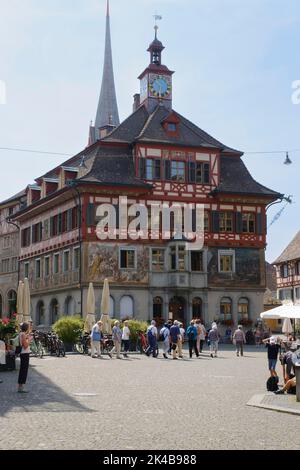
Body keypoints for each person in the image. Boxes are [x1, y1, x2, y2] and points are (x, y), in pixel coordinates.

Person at [18, 322, 31, 393]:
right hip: (24, 354)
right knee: (24, 370)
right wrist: (29, 339)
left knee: (22, 370)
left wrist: (27, 336)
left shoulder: (21, 333)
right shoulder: (23, 334)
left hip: (23, 354)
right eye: (28, 327)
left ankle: (20, 386)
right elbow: (25, 346)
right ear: (26, 328)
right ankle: (21, 387)